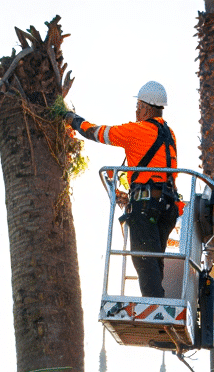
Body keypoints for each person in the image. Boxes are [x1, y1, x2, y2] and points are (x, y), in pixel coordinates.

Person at [63, 80, 179, 298]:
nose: (136, 111)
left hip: (147, 208)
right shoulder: (169, 134)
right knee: (154, 263)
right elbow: (162, 172)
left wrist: (74, 120)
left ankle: (154, 307)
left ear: (145, 107)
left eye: (138, 107)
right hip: (167, 207)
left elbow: (97, 133)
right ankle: (157, 302)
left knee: (143, 261)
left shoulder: (137, 130)